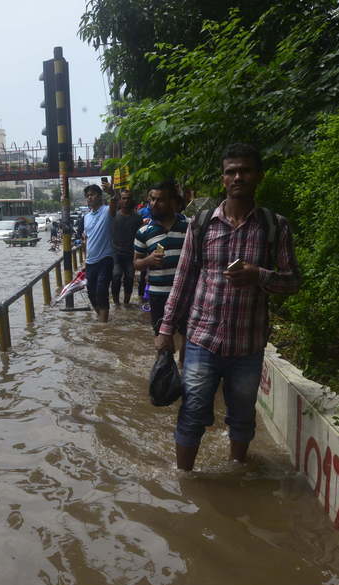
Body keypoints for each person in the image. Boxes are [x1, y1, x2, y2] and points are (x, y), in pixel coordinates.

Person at [156, 143, 301, 471]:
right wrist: (166, 329)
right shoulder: (202, 224)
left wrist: (258, 275)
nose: (238, 177)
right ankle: (185, 480)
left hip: (247, 347)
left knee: (242, 417)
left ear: (258, 176)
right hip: (201, 340)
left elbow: (292, 282)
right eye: (231, 171)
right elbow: (183, 279)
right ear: (222, 179)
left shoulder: (274, 227)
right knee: (191, 413)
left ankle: (237, 471)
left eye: (245, 170)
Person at [134, 181, 189, 331]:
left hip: (185, 294)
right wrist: (148, 260)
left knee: (186, 339)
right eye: (152, 199)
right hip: (158, 295)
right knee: (162, 343)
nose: (154, 204)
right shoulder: (144, 232)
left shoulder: (190, 226)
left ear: (172, 201)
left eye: (160, 200)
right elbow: (136, 263)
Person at [82, 184, 117, 322]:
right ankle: (101, 317)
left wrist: (112, 194)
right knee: (91, 293)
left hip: (106, 258)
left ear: (100, 196)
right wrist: (85, 260)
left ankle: (104, 327)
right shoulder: (86, 217)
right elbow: (87, 239)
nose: (89, 197)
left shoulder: (108, 211)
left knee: (101, 291)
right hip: (91, 261)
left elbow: (114, 205)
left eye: (92, 194)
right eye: (87, 196)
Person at [110, 189, 143, 306]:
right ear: (120, 200)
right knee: (116, 276)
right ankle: (116, 304)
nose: (126, 201)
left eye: (128, 198)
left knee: (129, 278)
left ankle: (126, 303)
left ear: (132, 200)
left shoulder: (138, 218)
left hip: (131, 253)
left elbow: (141, 236)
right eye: (123, 198)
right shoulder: (114, 216)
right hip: (116, 253)